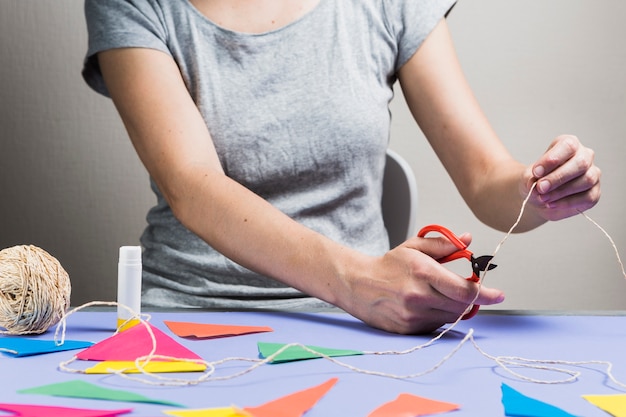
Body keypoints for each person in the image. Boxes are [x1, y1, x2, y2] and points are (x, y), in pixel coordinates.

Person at [82, 0, 601, 334]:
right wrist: (358, 282)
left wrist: (540, 192)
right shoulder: (134, 4)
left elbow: (488, 178)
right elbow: (192, 185)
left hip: (361, 326)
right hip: (185, 317)